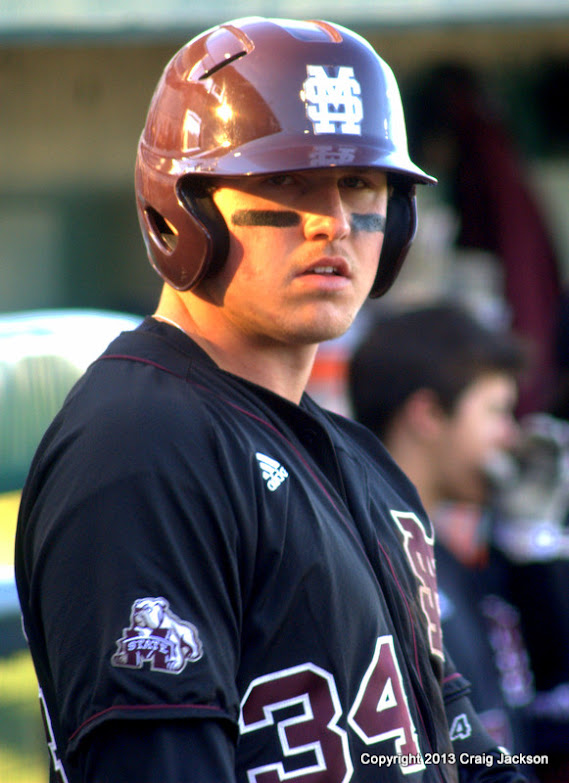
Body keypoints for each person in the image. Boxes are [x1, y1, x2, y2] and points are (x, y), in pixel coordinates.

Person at [15, 17, 529, 783]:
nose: (332, 222)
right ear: (182, 208)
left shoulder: (366, 466)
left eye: (359, 184)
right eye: (286, 180)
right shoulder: (142, 442)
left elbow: (461, 751)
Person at [348, 303, 535, 756]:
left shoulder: (444, 554)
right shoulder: (362, 561)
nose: (510, 437)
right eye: (497, 412)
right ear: (428, 414)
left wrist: (535, 544)